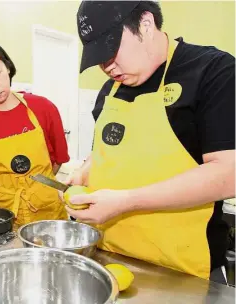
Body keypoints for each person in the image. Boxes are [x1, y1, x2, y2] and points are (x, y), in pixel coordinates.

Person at [67, 0, 235, 284]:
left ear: (145, 25)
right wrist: (84, 171)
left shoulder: (214, 72)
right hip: (113, 262)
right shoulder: (109, 91)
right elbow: (104, 152)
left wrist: (126, 201)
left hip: (186, 274)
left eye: (111, 50)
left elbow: (229, 173)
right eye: (98, 57)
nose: (106, 66)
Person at [0, 37, 70, 229]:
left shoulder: (43, 108)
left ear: (8, 67)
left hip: (49, 213)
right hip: (4, 218)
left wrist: (36, 189)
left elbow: (58, 159)